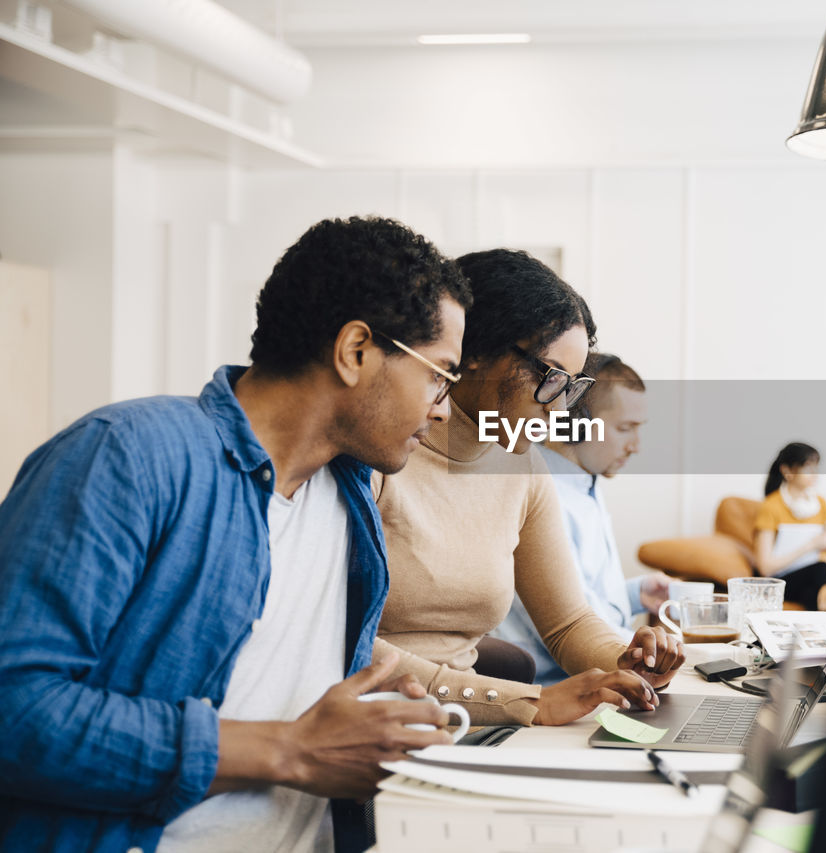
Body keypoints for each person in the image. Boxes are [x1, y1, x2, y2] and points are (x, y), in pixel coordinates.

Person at [0, 216, 472, 853]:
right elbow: (16, 709)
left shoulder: (350, 495)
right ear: (355, 350)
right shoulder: (127, 456)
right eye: (440, 376)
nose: (444, 406)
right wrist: (290, 751)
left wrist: (368, 728)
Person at [373, 250, 684, 726]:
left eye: (572, 387)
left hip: (470, 719)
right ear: (472, 352)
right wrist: (526, 702)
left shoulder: (524, 467)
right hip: (389, 717)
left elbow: (568, 622)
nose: (559, 412)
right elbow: (347, 643)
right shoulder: (381, 453)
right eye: (550, 378)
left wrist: (629, 660)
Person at [492, 352, 671, 684]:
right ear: (576, 423)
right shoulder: (542, 490)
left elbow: (580, 592)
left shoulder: (584, 482)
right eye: (625, 428)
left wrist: (635, 594)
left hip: (595, 670)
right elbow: (574, 624)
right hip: (557, 686)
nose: (636, 446)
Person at [753, 442, 826, 611]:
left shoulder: (820, 503)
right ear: (787, 471)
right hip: (777, 581)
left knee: (812, 593)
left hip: (807, 580)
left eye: (816, 468)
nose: (814, 474)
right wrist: (811, 545)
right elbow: (765, 567)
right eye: (807, 468)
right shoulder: (771, 506)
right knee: (821, 568)